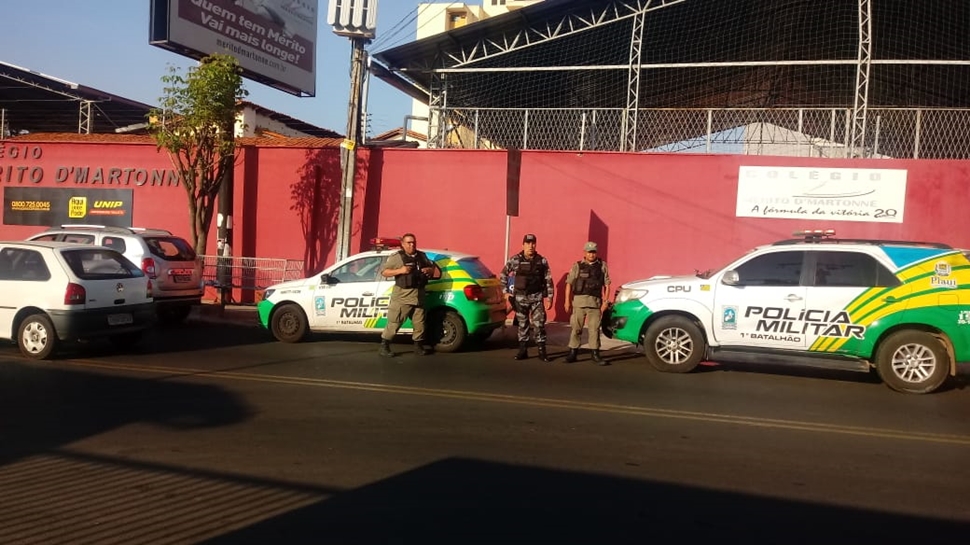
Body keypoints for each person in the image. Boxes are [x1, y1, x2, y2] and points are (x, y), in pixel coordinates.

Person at [378, 233, 441, 357]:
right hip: (403, 296)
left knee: (420, 323)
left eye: (413, 242)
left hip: (419, 295)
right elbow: (384, 272)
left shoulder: (422, 256)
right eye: (409, 242)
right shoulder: (397, 257)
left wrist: (429, 270)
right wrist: (400, 270)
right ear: (402, 244)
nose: (412, 245)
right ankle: (384, 346)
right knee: (395, 322)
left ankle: (418, 346)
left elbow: (432, 268)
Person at [499, 233, 554, 361]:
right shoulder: (515, 260)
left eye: (533, 243)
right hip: (520, 299)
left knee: (539, 324)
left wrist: (550, 297)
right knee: (523, 325)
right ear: (523, 245)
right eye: (528, 243)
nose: (531, 246)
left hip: (536, 299)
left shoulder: (542, 261)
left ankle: (542, 351)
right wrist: (505, 292)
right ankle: (523, 350)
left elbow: (548, 280)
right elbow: (503, 275)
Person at [563, 241, 611, 365]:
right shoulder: (578, 265)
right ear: (584, 252)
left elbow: (607, 285)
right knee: (576, 328)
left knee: (594, 329)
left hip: (595, 304)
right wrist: (567, 300)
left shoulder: (602, 266)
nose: (591, 254)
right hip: (579, 303)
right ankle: (573, 352)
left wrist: (605, 301)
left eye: (593, 252)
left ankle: (595, 353)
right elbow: (569, 283)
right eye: (589, 252)